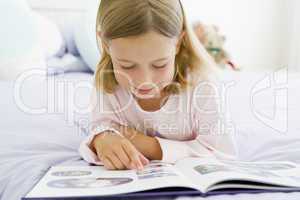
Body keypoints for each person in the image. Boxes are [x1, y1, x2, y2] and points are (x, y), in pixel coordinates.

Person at [79, 0, 237, 171]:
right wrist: (101, 140)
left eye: (160, 65)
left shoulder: (203, 83)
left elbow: (223, 153)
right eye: (127, 66)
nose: (144, 81)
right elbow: (102, 127)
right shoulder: (106, 80)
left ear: (178, 43)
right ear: (105, 45)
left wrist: (145, 144)